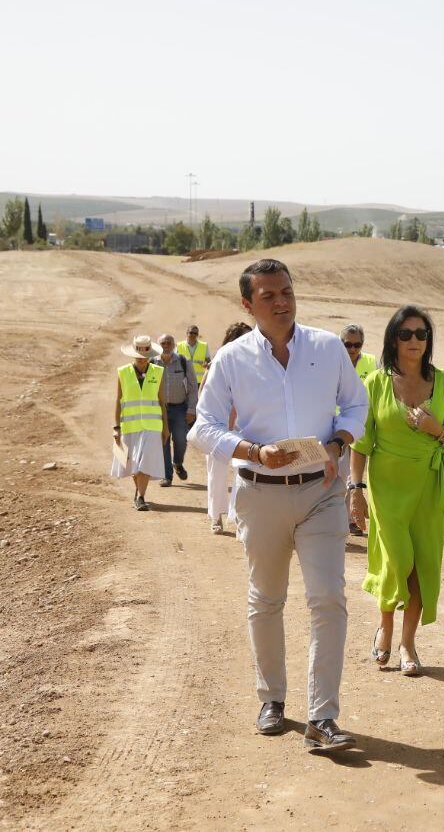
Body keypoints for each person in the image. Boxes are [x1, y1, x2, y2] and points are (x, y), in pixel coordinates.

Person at [188, 259, 368, 752]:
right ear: (248, 305)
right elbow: (202, 427)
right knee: (266, 600)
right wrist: (251, 451)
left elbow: (356, 404)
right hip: (259, 492)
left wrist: (338, 444)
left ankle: (323, 717)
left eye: (286, 291)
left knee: (328, 599)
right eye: (267, 296)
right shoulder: (230, 359)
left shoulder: (328, 349)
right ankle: (272, 699)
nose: (281, 302)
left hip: (321, 492)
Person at [347, 306, 444, 678]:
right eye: (406, 334)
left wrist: (436, 429)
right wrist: (356, 490)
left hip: (428, 486)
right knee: (397, 559)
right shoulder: (376, 384)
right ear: (392, 340)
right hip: (387, 486)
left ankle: (407, 643)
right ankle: (385, 623)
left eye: (421, 334)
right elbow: (361, 444)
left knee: (422, 564)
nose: (414, 341)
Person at [203, 321, 253, 535]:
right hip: (219, 427)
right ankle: (216, 517)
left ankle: (241, 518)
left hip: (244, 427)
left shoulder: (254, 363)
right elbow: (202, 392)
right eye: (244, 337)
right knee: (217, 473)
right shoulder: (220, 360)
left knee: (244, 473)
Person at [111, 335, 170, 511]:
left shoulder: (158, 372)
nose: (141, 359)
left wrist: (166, 428)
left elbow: (161, 402)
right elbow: (118, 400)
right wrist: (116, 427)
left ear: (150, 354)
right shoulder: (123, 372)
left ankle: (141, 497)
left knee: (145, 462)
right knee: (132, 464)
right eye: (138, 355)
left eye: (144, 355)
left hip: (152, 427)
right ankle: (138, 492)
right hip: (130, 426)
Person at [340, 324, 376, 536]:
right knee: (339, 475)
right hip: (338, 428)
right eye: (348, 344)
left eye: (357, 344)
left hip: (361, 429)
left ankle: (353, 519)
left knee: (354, 476)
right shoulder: (333, 362)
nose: (352, 349)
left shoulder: (372, 363)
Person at [154, 332, 198, 487]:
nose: (166, 346)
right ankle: (167, 476)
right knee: (164, 442)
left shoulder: (183, 361)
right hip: (159, 410)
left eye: (169, 343)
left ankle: (177, 463)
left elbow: (193, 387)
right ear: (158, 345)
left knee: (181, 440)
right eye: (163, 343)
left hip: (179, 408)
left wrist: (191, 409)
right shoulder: (152, 363)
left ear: (174, 345)